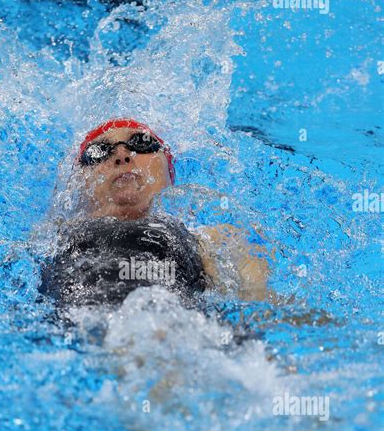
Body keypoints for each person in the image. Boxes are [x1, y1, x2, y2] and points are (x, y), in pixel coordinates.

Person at [39, 117, 270, 309]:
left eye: (142, 143)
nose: (122, 155)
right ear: (77, 186)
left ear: (170, 175)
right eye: (98, 152)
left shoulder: (213, 241)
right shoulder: (50, 240)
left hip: (179, 333)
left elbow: (258, 313)